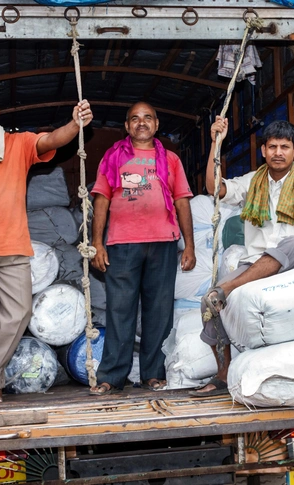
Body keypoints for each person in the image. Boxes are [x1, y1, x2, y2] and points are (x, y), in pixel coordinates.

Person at [0, 81, 93, 404]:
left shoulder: (17, 143)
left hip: (14, 247)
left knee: (18, 313)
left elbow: (51, 140)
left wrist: (74, 124)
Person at [190, 116, 294, 396]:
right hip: (255, 266)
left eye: (285, 147)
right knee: (208, 301)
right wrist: (215, 143)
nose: (278, 152)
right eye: (273, 147)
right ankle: (223, 373)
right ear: (263, 150)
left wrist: (232, 286)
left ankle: (228, 289)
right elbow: (214, 188)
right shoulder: (253, 182)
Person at [90, 102, 196, 396]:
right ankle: (112, 376)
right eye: (134, 119)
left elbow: (182, 201)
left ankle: (154, 373)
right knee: (119, 310)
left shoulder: (171, 160)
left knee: (159, 312)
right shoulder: (113, 157)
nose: (141, 123)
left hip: (163, 243)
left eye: (147, 117)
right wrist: (97, 243)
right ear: (126, 126)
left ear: (156, 124)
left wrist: (189, 246)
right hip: (123, 244)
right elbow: (101, 200)